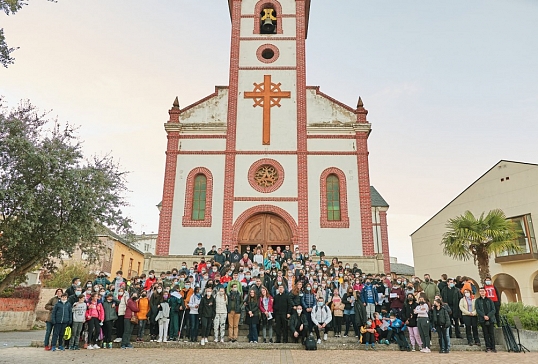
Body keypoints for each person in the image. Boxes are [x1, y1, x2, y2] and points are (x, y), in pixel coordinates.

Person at [475, 287, 497, 353]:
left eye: (483, 291)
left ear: (485, 292)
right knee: (485, 334)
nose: (482, 292)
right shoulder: (477, 301)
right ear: (479, 292)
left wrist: (488, 316)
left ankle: (493, 347)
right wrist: (484, 316)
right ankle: (488, 347)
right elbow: (477, 309)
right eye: (480, 291)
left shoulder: (489, 300)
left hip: (490, 319)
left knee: (491, 333)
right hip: (482, 319)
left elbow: (493, 309)